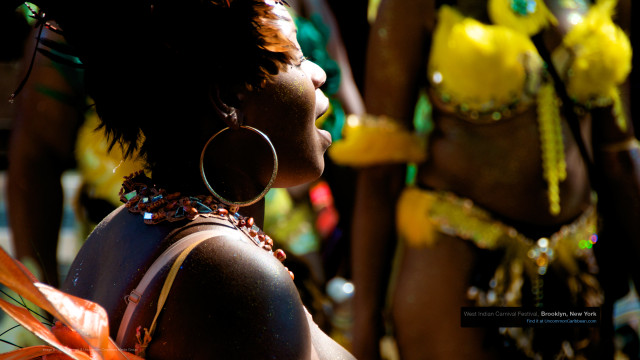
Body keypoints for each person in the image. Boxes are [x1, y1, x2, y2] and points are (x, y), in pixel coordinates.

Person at [1, 0, 355, 358]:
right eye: (296, 58)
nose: (318, 74)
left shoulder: (118, 231)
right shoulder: (233, 273)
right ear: (229, 98)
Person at [329, 0, 638, 358]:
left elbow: (619, 157)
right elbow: (382, 171)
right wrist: (364, 328)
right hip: (459, 260)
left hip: (576, 267)